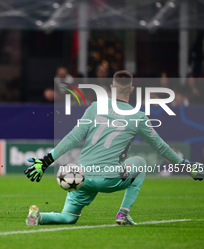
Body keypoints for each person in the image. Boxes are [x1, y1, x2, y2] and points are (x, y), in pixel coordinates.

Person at [24, 70, 203, 226]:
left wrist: (46, 161)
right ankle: (123, 214)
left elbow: (73, 137)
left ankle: (38, 217)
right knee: (140, 163)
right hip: (109, 177)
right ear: (131, 90)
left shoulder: (94, 108)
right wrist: (186, 166)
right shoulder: (138, 117)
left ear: (111, 87)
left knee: (68, 217)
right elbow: (161, 147)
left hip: (82, 176)